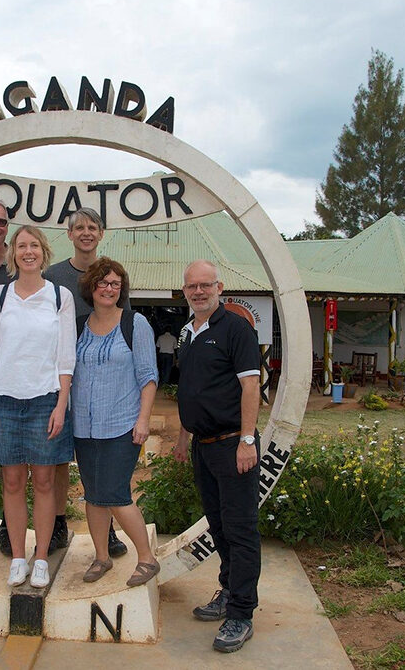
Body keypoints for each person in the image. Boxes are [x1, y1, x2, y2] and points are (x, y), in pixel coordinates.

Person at [0, 225, 76, 589]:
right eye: (22, 246)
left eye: (34, 245)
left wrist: (61, 403)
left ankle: (42, 557)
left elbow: (66, 356)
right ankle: (18, 557)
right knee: (12, 480)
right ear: (13, 253)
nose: (28, 251)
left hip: (45, 399)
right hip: (4, 399)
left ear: (43, 252)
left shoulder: (59, 296)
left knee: (46, 481)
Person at [172, 259, 261, 654]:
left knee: (241, 531)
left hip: (232, 443)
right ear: (185, 291)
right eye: (192, 286)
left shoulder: (236, 329)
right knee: (219, 526)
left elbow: (251, 386)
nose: (199, 291)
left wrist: (247, 440)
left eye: (205, 285)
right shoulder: (188, 332)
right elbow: (190, 389)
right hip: (202, 445)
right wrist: (182, 437)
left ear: (219, 288)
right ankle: (228, 590)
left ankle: (241, 613)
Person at [41, 207, 127, 559]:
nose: (86, 232)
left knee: (101, 459)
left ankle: (107, 531)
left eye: (92, 227)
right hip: (59, 380)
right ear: (70, 234)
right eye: (80, 227)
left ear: (101, 233)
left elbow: (124, 328)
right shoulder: (52, 276)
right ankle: (58, 523)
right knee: (59, 457)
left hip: (101, 385)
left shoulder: (112, 275)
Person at [72, 257, 160, 587]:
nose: (109, 289)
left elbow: (148, 376)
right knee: (93, 494)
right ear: (91, 287)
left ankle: (147, 559)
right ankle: (101, 557)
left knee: (115, 493)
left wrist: (143, 420)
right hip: (84, 427)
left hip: (123, 425)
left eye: (115, 284)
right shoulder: (79, 325)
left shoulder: (135, 324)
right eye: (103, 282)